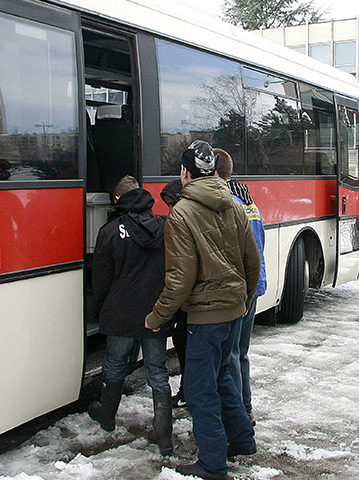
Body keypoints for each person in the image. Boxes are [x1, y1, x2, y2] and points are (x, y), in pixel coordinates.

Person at [145, 140, 260, 480]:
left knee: (199, 389)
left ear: (185, 173)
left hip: (205, 316)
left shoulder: (181, 212)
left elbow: (180, 279)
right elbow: (252, 261)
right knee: (222, 374)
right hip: (232, 309)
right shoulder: (235, 205)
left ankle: (212, 462)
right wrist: (245, 301)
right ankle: (241, 439)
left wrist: (157, 316)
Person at [89, 175, 174, 456]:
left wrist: (100, 307)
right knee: (157, 369)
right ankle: (163, 434)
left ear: (117, 200)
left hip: (121, 312)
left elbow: (101, 278)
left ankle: (107, 417)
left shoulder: (110, 231)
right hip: (156, 313)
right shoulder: (164, 226)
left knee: (115, 363)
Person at [214, 148, 266, 427]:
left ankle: (238, 415)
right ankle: (245, 408)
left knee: (230, 354)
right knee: (241, 353)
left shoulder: (228, 204)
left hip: (240, 289)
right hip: (254, 285)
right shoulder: (248, 201)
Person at [160, 179, 188, 409]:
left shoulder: (183, 224)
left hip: (194, 303)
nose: (170, 210)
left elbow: (181, 275)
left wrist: (159, 314)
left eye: (172, 204)